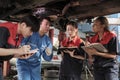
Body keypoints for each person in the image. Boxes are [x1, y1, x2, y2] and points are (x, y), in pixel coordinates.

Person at [0, 15, 40, 80]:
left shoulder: (19, 36)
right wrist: (18, 51)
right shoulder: (5, 29)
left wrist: (19, 56)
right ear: (23, 25)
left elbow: (5, 52)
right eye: (31, 30)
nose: (31, 34)